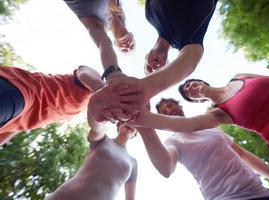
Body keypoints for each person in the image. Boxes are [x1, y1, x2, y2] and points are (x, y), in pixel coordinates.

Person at [129, 74, 269, 178]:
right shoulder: (219, 114)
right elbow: (189, 124)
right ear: (197, 100)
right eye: (188, 93)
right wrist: (144, 117)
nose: (189, 88)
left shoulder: (240, 76)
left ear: (202, 82)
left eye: (189, 84)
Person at [135, 98, 269, 200]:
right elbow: (165, 168)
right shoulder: (174, 141)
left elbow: (242, 154)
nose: (169, 109)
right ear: (162, 118)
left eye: (170, 105)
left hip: (263, 193)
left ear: (179, 105)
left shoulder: (211, 128)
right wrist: (144, 125)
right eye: (164, 111)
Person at [91, 0, 218, 122]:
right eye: (156, 71)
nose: (154, 67)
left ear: (147, 56)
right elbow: (190, 60)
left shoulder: (150, 16)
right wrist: (146, 87)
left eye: (148, 68)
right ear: (168, 64)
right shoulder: (187, 39)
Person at [0, 65, 141, 145]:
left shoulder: (86, 109)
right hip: (22, 90)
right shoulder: (94, 82)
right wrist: (102, 89)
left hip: (15, 117)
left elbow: (18, 125)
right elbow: (83, 71)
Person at [46, 100, 138, 200]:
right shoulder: (103, 139)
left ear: (137, 132)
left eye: (135, 125)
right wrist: (105, 110)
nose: (130, 124)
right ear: (119, 124)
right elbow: (96, 127)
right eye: (127, 121)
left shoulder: (133, 163)